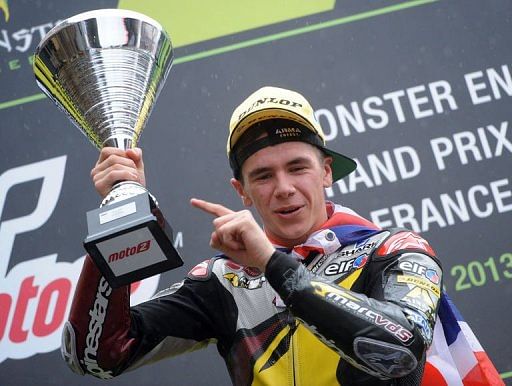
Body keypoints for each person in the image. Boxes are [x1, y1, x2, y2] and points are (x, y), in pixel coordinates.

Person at [62, 86, 444, 385]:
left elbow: (400, 349)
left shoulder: (394, 250)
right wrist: (123, 217)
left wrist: (273, 265)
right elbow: (96, 356)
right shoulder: (224, 283)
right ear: (241, 191)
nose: (284, 188)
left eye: (298, 167)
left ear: (326, 172)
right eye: (263, 175)